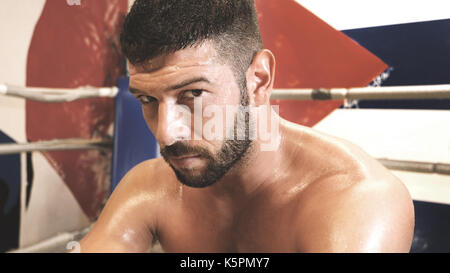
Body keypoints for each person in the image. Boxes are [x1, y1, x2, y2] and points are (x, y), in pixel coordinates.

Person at [78, 0, 414, 252]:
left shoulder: (355, 199)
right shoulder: (152, 187)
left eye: (193, 94)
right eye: (147, 100)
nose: (167, 133)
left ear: (258, 80)